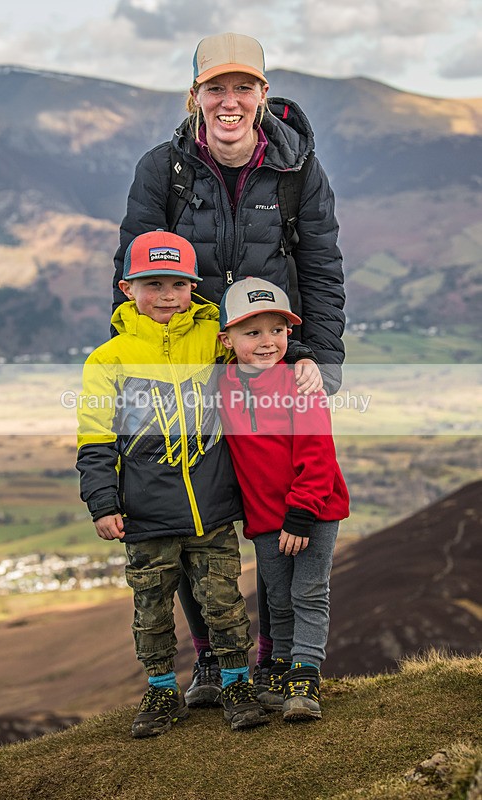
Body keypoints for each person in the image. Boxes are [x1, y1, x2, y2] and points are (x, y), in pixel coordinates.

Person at [111, 31, 345, 705]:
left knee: (279, 509)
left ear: (263, 94)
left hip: (271, 361)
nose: (229, 100)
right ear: (195, 97)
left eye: (243, 87)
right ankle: (213, 659)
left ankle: (274, 659)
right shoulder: (163, 169)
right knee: (194, 516)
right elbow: (132, 268)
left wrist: (321, 363)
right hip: (186, 367)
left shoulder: (300, 169)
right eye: (215, 88)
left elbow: (321, 269)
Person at [77, 230, 269, 736]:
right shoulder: (106, 361)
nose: (167, 295)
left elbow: (260, 358)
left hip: (211, 508)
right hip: (145, 514)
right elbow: (95, 440)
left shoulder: (212, 340)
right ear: (127, 288)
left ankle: (236, 684)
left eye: (179, 284)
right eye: (153, 283)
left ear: (193, 286)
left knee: (225, 602)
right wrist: (102, 503)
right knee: (151, 609)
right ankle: (161, 691)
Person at [216, 276, 350, 720]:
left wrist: (301, 514)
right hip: (264, 518)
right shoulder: (222, 386)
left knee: (308, 591)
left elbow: (317, 454)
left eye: (277, 330)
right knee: (277, 597)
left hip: (313, 510)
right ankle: (281, 667)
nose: (267, 341)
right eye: (252, 332)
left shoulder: (301, 385)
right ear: (227, 339)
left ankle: (305, 673)